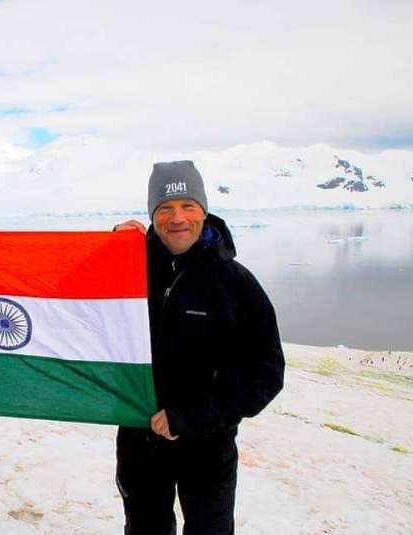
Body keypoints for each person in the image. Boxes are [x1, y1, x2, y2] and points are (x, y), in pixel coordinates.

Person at [114, 160, 285, 535]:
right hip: (140, 441)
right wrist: (112, 249)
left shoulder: (236, 284)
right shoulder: (128, 272)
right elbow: (71, 303)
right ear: (152, 216)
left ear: (204, 212)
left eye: (188, 206)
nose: (177, 218)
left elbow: (267, 374)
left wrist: (195, 418)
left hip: (208, 447)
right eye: (165, 208)